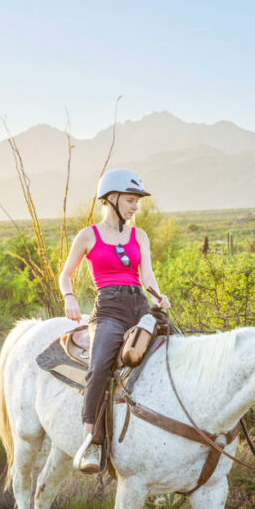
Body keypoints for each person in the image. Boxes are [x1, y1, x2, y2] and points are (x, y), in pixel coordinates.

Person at [57, 169, 170, 474]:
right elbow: (65, 274)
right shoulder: (88, 235)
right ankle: (91, 439)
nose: (136, 207)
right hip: (109, 309)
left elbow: (147, 276)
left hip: (139, 304)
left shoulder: (139, 236)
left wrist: (158, 296)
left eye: (137, 202)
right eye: (131, 201)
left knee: (174, 347)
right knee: (99, 365)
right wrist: (69, 297)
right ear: (111, 199)